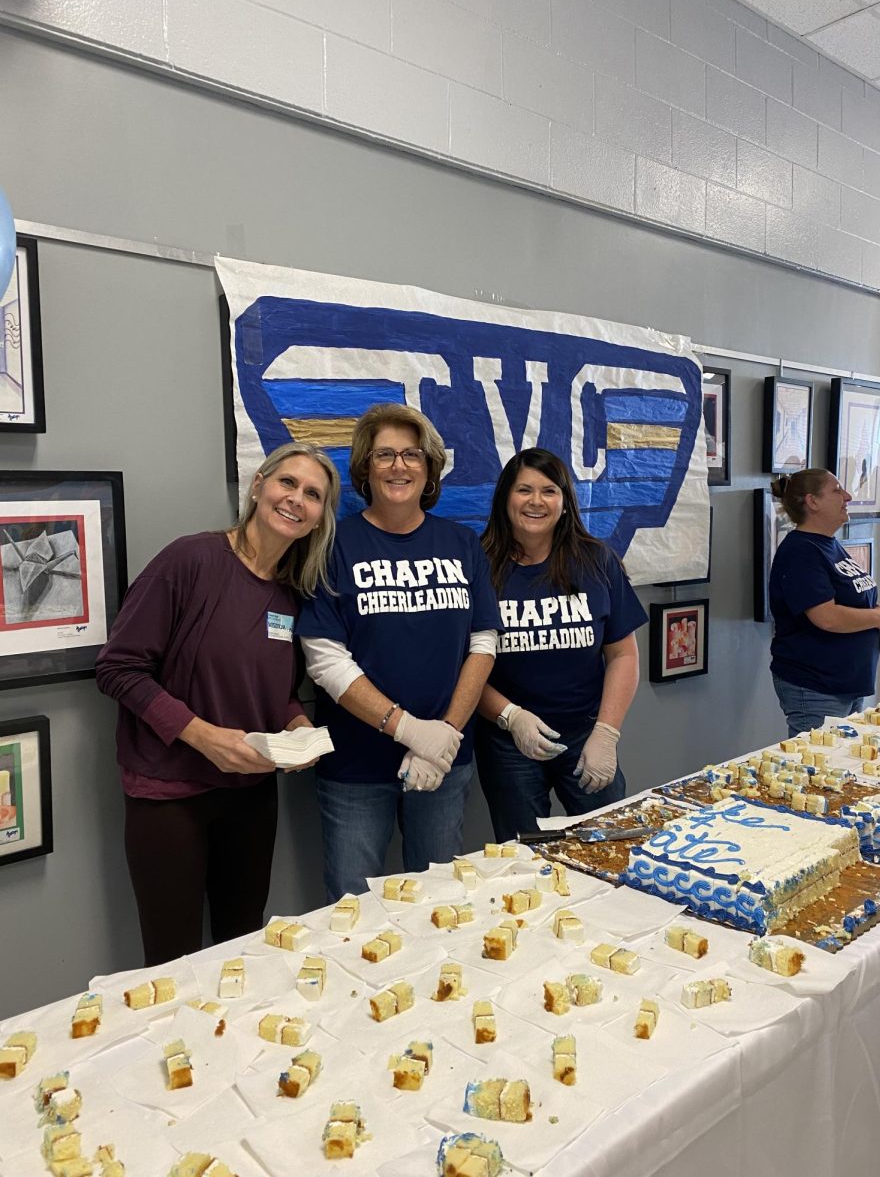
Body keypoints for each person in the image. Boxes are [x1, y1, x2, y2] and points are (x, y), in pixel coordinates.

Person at [96, 442, 340, 965]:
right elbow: (117, 668)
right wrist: (203, 737)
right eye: (287, 483)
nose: (296, 499)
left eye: (313, 495)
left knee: (241, 951)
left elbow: (277, 694)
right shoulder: (191, 560)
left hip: (251, 797)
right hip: (170, 796)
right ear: (257, 486)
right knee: (172, 962)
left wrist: (297, 726)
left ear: (321, 517)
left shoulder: (290, 595)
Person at [298, 403, 500, 902]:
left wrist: (445, 735)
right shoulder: (333, 545)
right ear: (365, 467)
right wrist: (408, 730)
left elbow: (483, 641)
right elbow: (325, 659)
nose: (398, 466)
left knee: (438, 902)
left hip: (446, 763)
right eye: (384, 454)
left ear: (429, 468)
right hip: (355, 768)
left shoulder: (461, 543)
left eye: (412, 455)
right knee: (351, 908)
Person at [474, 448, 647, 843]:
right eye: (524, 490)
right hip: (509, 742)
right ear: (505, 500)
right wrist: (510, 717)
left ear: (565, 502)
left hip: (586, 733)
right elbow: (460, 667)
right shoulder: (478, 565)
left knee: (608, 845)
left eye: (549, 491)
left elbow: (623, 654)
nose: (536, 501)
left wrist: (607, 733)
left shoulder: (597, 561)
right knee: (525, 855)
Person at [769, 469, 880, 735]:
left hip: (847, 682)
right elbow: (826, 617)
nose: (847, 496)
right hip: (816, 685)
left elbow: (856, 599)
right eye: (837, 490)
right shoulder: (801, 551)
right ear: (812, 502)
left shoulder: (829, 545)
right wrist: (878, 618)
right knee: (819, 770)